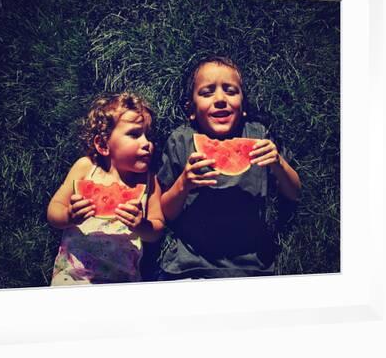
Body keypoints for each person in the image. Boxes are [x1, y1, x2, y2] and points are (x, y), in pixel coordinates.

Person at [158, 55, 301, 280]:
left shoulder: (258, 136)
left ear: (243, 106)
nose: (220, 99)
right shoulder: (181, 140)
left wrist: (278, 163)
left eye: (230, 91)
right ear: (191, 110)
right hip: (189, 265)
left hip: (251, 265)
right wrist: (183, 183)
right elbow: (166, 212)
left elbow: (293, 193)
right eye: (207, 92)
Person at [47, 92, 165, 285]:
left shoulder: (149, 180)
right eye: (135, 134)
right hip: (73, 276)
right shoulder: (85, 167)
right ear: (103, 145)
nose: (147, 144)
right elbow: (54, 210)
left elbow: (157, 227)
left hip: (123, 280)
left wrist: (141, 226)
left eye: (148, 136)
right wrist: (68, 216)